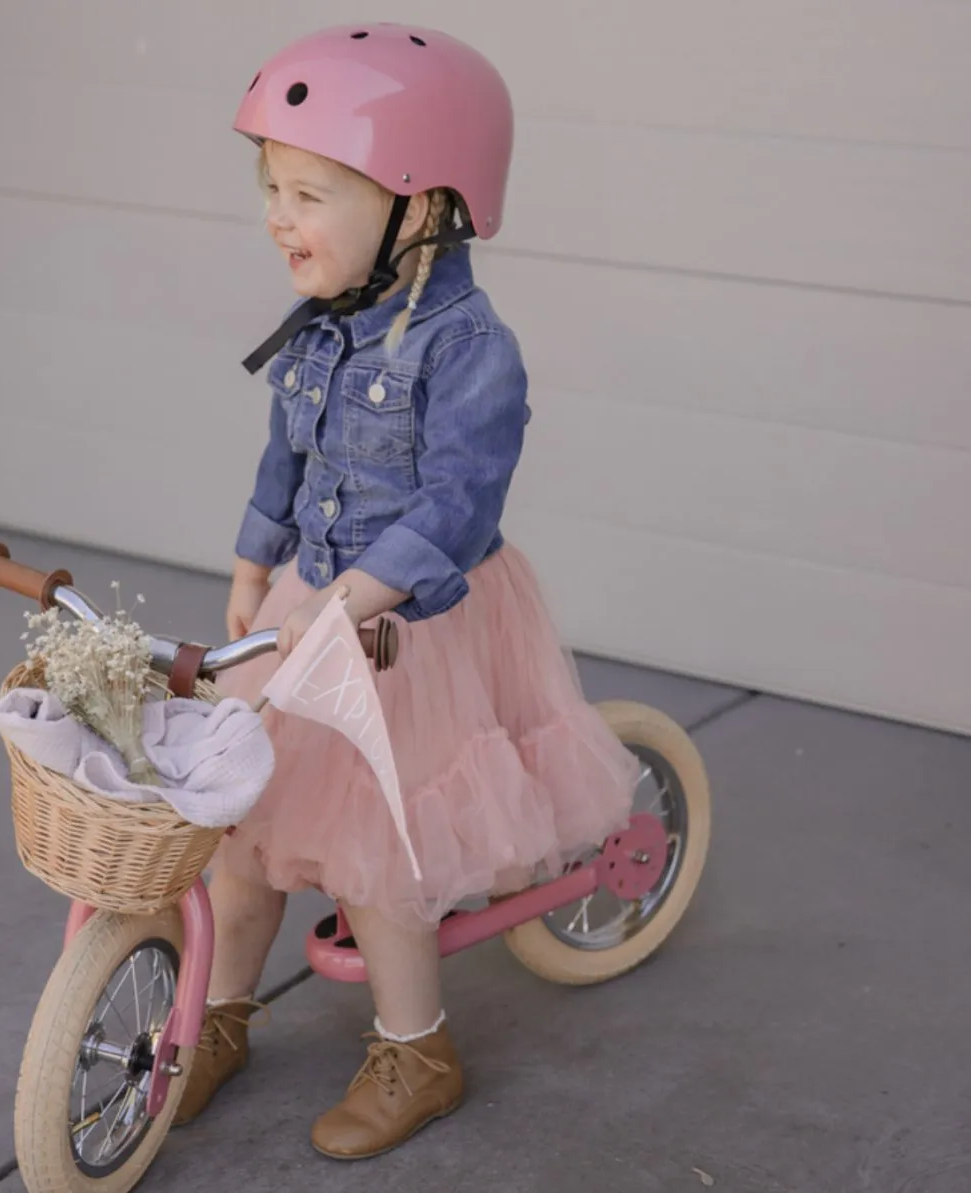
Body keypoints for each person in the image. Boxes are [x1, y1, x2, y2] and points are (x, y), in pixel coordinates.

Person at [173, 23, 640, 1159]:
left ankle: (416, 1045)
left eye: (312, 192)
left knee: (382, 854)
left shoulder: (471, 346)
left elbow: (459, 503)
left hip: (413, 627)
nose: (281, 216)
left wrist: (359, 598)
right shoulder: (323, 332)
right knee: (242, 825)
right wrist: (253, 560)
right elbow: (288, 452)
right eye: (273, 189)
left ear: (422, 208)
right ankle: (221, 1012)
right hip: (313, 602)